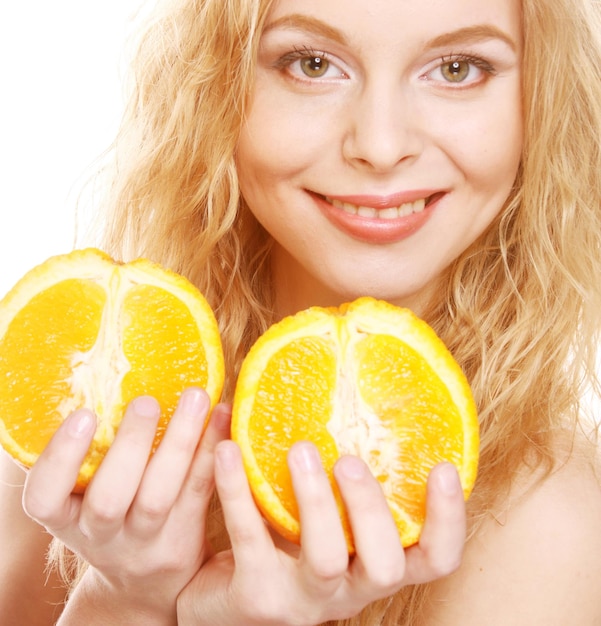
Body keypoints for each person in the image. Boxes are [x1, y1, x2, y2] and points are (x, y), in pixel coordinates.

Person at [1, 0, 601, 623]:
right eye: (312, 64)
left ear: (543, 96)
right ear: (214, 85)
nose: (381, 144)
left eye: (457, 69)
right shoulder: (88, 416)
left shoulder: (549, 525)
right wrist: (122, 595)